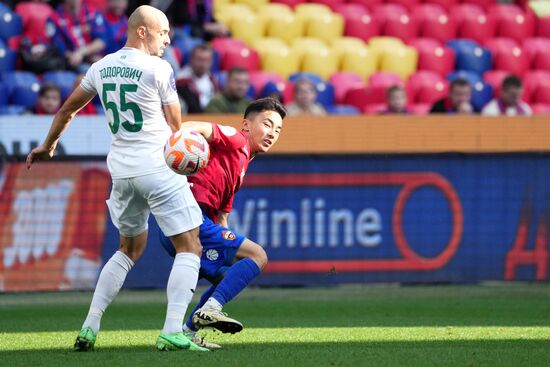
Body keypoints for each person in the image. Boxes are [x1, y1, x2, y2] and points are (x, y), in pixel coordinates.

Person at [27, 5, 209, 352]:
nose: (168, 39)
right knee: (190, 246)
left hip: (122, 171)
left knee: (128, 249)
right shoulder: (158, 68)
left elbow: (68, 109)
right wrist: (193, 161)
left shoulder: (100, 66)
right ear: (142, 31)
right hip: (157, 167)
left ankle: (89, 326)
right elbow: (176, 128)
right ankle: (172, 329)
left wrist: (48, 146)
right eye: (163, 32)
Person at [159, 97, 286, 348]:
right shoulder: (236, 139)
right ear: (247, 125)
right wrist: (176, 139)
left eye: (278, 130)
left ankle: (186, 331)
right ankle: (212, 309)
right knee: (258, 256)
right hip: (189, 218)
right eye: (267, 124)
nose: (272, 133)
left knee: (227, 277)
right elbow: (202, 128)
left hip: (189, 224)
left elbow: (222, 218)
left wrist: (229, 251)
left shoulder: (239, 169)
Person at [47, 0, 108, 73]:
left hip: (95, 58)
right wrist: (77, 57)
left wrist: (82, 52)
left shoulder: (92, 12)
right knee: (87, 71)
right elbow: (60, 48)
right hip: (71, 64)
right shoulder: (54, 18)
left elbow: (101, 41)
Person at [175, 44, 219, 113]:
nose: (202, 64)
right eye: (199, 59)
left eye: (206, 60)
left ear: (211, 62)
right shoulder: (181, 80)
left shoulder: (212, 79)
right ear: (191, 59)